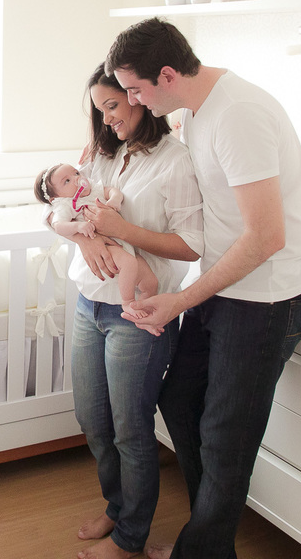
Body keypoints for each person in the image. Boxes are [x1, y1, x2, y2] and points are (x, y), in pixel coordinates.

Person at [104, 18, 301, 559]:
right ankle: (210, 541)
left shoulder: (237, 116)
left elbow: (267, 237)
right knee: (179, 399)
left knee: (226, 439)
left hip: (270, 297)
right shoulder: (198, 111)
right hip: (229, 288)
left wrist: (182, 298)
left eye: (134, 89)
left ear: (168, 74)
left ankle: (200, 550)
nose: (130, 101)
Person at [57, 64, 204, 559]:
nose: (107, 118)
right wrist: (89, 236)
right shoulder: (99, 154)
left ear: (139, 96)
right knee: (93, 419)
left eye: (113, 106)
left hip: (138, 312)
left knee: (130, 427)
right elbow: (62, 208)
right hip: (89, 303)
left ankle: (130, 538)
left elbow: (190, 246)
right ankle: (117, 507)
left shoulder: (175, 161)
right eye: (100, 110)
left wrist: (121, 231)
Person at [34, 162, 161, 336]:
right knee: (129, 264)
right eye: (67, 181)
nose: (77, 179)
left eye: (76, 173)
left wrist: (114, 199)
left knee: (151, 282)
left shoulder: (93, 189)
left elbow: (112, 191)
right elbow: (59, 225)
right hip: (107, 245)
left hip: (124, 243)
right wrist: (78, 227)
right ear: (54, 198)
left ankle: (145, 316)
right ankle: (128, 302)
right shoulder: (66, 204)